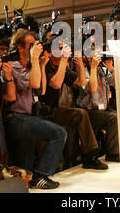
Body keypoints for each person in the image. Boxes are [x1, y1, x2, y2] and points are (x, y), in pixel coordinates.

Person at [5, 29, 67, 189]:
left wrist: (41, 64)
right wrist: (35, 59)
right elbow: (34, 83)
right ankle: (42, 174)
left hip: (28, 117)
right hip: (16, 118)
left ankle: (33, 178)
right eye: (30, 45)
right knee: (59, 133)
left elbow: (42, 90)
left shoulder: (32, 65)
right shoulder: (15, 66)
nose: (34, 48)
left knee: (25, 169)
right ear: (20, 48)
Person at [42, 42, 108, 170]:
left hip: (58, 110)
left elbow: (81, 82)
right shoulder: (46, 66)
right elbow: (55, 83)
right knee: (81, 113)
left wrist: (80, 64)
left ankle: (90, 157)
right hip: (46, 111)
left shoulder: (63, 67)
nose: (64, 51)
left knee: (80, 114)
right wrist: (64, 60)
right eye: (60, 48)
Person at [77, 51, 120, 162]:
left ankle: (117, 150)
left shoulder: (103, 70)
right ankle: (113, 153)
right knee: (114, 118)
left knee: (119, 114)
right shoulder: (84, 70)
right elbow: (92, 89)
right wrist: (93, 68)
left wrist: (111, 69)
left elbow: (117, 84)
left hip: (102, 110)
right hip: (88, 112)